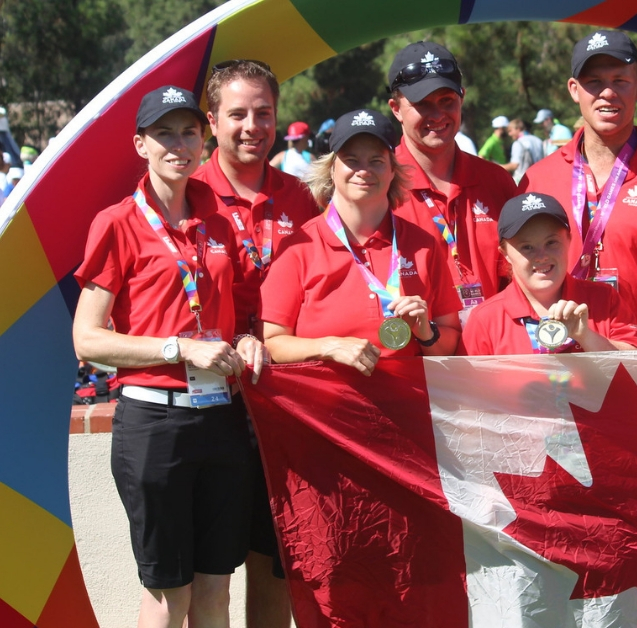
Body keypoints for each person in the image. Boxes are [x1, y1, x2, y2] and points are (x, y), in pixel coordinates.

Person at [73, 85, 268, 628]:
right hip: (156, 423)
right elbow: (87, 339)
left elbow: (247, 311)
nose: (178, 145)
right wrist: (178, 348)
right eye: (164, 133)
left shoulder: (223, 221)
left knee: (216, 588)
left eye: (188, 132)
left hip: (223, 419)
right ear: (140, 144)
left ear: (203, 139)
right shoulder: (116, 222)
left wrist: (250, 338)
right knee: (167, 594)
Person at [193, 58, 319, 628]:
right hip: (209, 404)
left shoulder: (300, 198)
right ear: (211, 122)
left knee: (275, 562)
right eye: (237, 114)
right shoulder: (185, 196)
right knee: (208, 575)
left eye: (263, 113)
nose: (252, 126)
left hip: (283, 403)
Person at [519, 29, 637, 360]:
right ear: (573, 90)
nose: (607, 92)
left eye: (620, 80)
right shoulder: (537, 178)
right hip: (558, 365)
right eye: (594, 82)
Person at [260, 109, 462, 373]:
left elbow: (449, 343)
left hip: (406, 407)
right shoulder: (298, 247)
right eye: (352, 160)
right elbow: (272, 342)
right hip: (323, 409)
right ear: (332, 170)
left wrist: (427, 331)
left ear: (392, 171)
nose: (364, 171)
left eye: (377, 161)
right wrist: (328, 347)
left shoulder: (422, 244)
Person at [385, 41, 517, 329]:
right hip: (414, 360)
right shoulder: (376, 184)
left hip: (493, 356)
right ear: (396, 108)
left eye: (447, 101)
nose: (437, 115)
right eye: (422, 104)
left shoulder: (497, 181)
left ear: (462, 98)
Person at [463, 192, 637, 355]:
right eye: (527, 247)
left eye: (551, 242)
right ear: (505, 254)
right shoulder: (484, 320)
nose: (541, 257)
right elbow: (467, 387)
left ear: (569, 240)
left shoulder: (605, 299)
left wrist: (586, 336)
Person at [503, 118, 543, 183]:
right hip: (538, 179)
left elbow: (514, 165)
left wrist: (497, 167)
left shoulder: (518, 143)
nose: (509, 134)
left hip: (524, 181)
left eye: (510, 131)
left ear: (518, 129)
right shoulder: (538, 140)